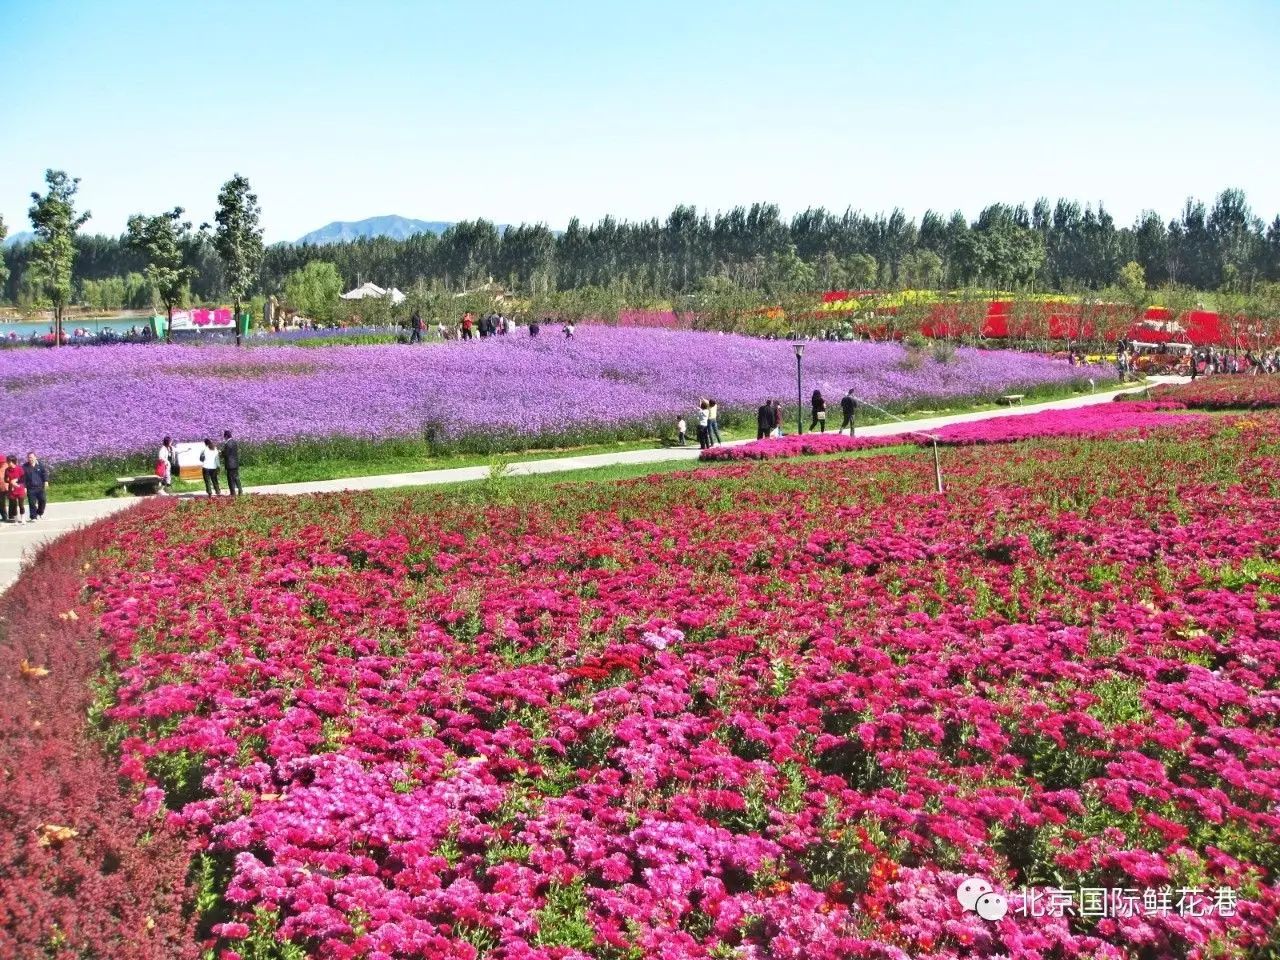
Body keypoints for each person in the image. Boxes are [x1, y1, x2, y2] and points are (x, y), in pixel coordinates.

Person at [24, 452, 48, 520]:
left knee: (43, 500)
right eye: (29, 457)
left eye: (31, 457)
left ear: (35, 457)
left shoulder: (40, 465)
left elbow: (44, 473)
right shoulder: (24, 466)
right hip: (30, 488)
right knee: (32, 503)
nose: (30, 459)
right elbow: (23, 478)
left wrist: (46, 481)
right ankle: (33, 516)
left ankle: (40, 513)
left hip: (40, 487)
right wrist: (24, 487)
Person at [4, 455, 26, 524]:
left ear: (13, 461)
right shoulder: (7, 470)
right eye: (7, 461)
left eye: (9, 461)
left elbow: (23, 479)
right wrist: (9, 481)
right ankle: (16, 519)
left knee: (21, 505)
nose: (8, 463)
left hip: (19, 488)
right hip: (12, 490)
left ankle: (23, 518)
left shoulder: (19, 468)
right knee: (13, 505)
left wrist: (16, 481)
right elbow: (5, 479)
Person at [222, 430, 242, 496]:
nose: (224, 438)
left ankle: (233, 493)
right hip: (235, 463)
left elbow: (226, 454)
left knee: (230, 479)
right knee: (236, 477)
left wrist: (221, 453)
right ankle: (240, 490)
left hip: (230, 464)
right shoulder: (234, 442)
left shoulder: (227, 444)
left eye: (224, 436)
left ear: (226, 436)